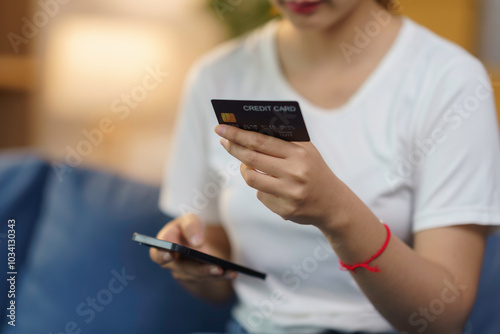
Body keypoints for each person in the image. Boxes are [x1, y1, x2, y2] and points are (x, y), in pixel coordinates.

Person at [150, 0, 500, 333]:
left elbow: (443, 319)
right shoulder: (217, 75)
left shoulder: (449, 81)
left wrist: (336, 212)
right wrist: (196, 263)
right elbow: (218, 269)